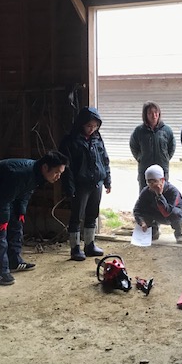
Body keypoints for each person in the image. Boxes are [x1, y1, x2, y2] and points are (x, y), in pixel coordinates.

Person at [0, 151, 69, 285]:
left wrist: (21, 211)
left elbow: (26, 192)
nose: (58, 177)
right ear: (45, 167)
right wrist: (3, 220)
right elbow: (2, 200)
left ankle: (14, 261)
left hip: (8, 195)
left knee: (17, 224)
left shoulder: (37, 174)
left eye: (60, 173)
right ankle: (0, 272)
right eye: (56, 172)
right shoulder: (20, 173)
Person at [59, 106, 112, 261]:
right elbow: (66, 167)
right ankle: (75, 248)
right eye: (89, 125)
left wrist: (107, 180)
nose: (92, 129)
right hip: (80, 185)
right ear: (81, 123)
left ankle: (90, 244)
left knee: (92, 214)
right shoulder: (70, 140)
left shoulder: (97, 138)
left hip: (96, 182)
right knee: (76, 216)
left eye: (95, 126)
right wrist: (69, 188)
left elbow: (104, 160)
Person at [133, 164, 182, 244]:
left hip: (174, 215)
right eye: (149, 182)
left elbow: (167, 212)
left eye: (154, 181)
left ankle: (179, 234)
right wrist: (142, 222)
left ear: (162, 180)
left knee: (176, 213)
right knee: (145, 211)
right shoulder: (146, 191)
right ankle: (154, 231)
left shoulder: (172, 191)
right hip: (157, 214)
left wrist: (159, 195)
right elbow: (137, 209)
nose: (151, 185)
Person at [130, 101, 176, 190]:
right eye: (150, 113)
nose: (154, 115)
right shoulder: (139, 131)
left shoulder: (167, 130)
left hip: (162, 168)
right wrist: (140, 157)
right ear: (145, 115)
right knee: (145, 193)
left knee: (162, 192)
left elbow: (172, 146)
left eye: (156, 112)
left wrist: (166, 157)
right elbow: (133, 146)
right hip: (145, 168)